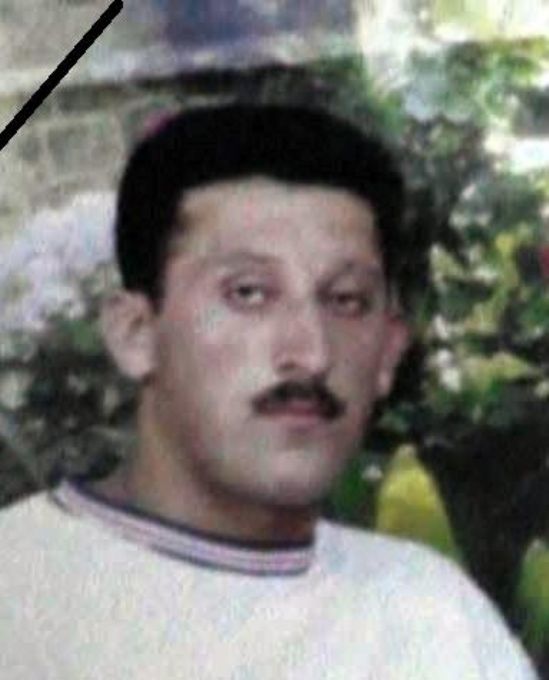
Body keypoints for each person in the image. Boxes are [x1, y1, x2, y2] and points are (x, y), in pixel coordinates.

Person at [0, 104, 538, 679]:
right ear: (137, 334)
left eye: (346, 300)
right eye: (249, 293)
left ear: (388, 352)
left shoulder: (432, 616)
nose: (311, 352)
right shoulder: (23, 595)